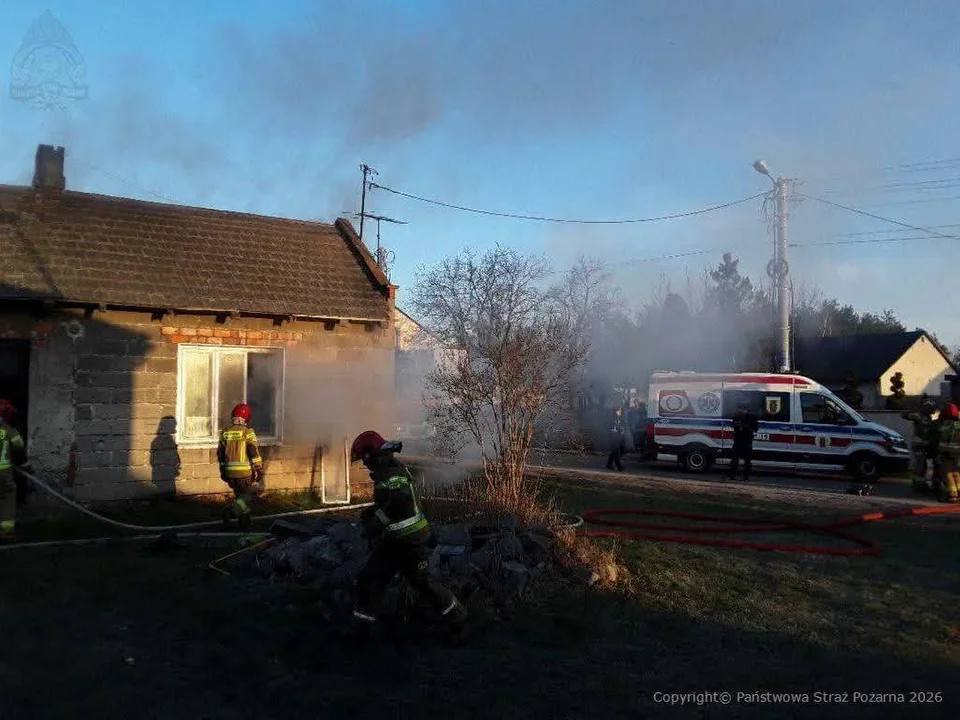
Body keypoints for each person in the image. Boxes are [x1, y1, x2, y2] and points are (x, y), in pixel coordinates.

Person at [349, 430, 468, 641]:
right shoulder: (388, 469)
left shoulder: (389, 472)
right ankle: (361, 631)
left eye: (364, 459)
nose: (364, 464)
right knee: (381, 580)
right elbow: (391, 503)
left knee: (380, 580)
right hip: (403, 540)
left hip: (408, 541)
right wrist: (373, 513)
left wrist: (375, 521)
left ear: (370, 454)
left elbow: (398, 502)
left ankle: (458, 620)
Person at [217, 403, 265, 528]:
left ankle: (244, 521)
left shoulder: (225, 432)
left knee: (240, 496)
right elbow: (252, 450)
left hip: (229, 473)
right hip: (244, 473)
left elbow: (220, 454)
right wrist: (259, 468)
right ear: (246, 418)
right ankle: (232, 511)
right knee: (250, 495)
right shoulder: (247, 432)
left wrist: (222, 470)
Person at [0, 399, 31, 544]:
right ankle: (6, 533)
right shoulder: (7, 429)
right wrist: (25, 464)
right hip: (4, 473)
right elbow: (19, 446)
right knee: (6, 499)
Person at [902, 400, 939, 493]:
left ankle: (921, 482)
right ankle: (919, 485)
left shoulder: (929, 417)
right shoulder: (918, 416)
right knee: (920, 465)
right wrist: (914, 408)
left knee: (924, 465)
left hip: (926, 444)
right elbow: (904, 415)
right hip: (919, 444)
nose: (931, 411)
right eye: (930, 408)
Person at [727, 400, 759, 482]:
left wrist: (746, 428)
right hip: (739, 440)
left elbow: (756, 428)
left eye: (741, 409)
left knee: (746, 461)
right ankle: (733, 476)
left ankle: (745, 478)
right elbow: (733, 425)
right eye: (740, 409)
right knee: (735, 460)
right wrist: (737, 426)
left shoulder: (751, 417)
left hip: (746, 441)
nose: (740, 411)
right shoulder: (737, 416)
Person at [935, 402, 960, 504]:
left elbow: (938, 438)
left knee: (948, 474)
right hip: (957, 453)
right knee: (956, 473)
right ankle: (958, 492)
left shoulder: (945, 425)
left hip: (947, 452)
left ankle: (952, 495)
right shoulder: (958, 424)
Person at [605, 406, 626, 471]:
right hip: (613, 438)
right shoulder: (611, 419)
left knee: (621, 450)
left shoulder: (621, 418)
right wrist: (617, 430)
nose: (620, 412)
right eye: (618, 411)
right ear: (615, 411)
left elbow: (623, 426)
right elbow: (609, 428)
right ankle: (619, 466)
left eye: (620, 411)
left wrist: (623, 430)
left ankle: (609, 464)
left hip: (620, 437)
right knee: (615, 452)